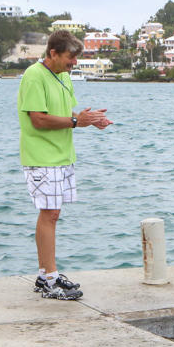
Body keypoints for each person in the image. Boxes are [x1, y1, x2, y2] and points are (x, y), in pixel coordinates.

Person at [17, 30, 112, 300]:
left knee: (53, 214)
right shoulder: (34, 76)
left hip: (62, 155)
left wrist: (89, 120)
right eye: (70, 57)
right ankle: (50, 279)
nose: (74, 63)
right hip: (41, 156)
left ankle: (45, 274)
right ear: (53, 53)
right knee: (49, 214)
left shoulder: (64, 76)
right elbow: (38, 119)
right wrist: (76, 122)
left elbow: (65, 113)